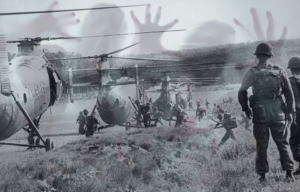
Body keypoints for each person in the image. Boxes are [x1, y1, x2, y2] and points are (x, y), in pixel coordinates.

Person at [238, 42, 295, 182]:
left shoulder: (252, 72)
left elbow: (242, 92)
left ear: (257, 56)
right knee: (283, 143)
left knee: (262, 145)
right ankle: (289, 174)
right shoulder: (280, 70)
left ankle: (262, 176)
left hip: (260, 113)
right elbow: (289, 93)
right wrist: (290, 111)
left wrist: (246, 109)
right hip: (278, 112)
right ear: (270, 55)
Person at [287, 56, 300, 175]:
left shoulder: (291, 80)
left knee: (294, 140)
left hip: (297, 113)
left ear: (291, 69)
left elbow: (295, 99)